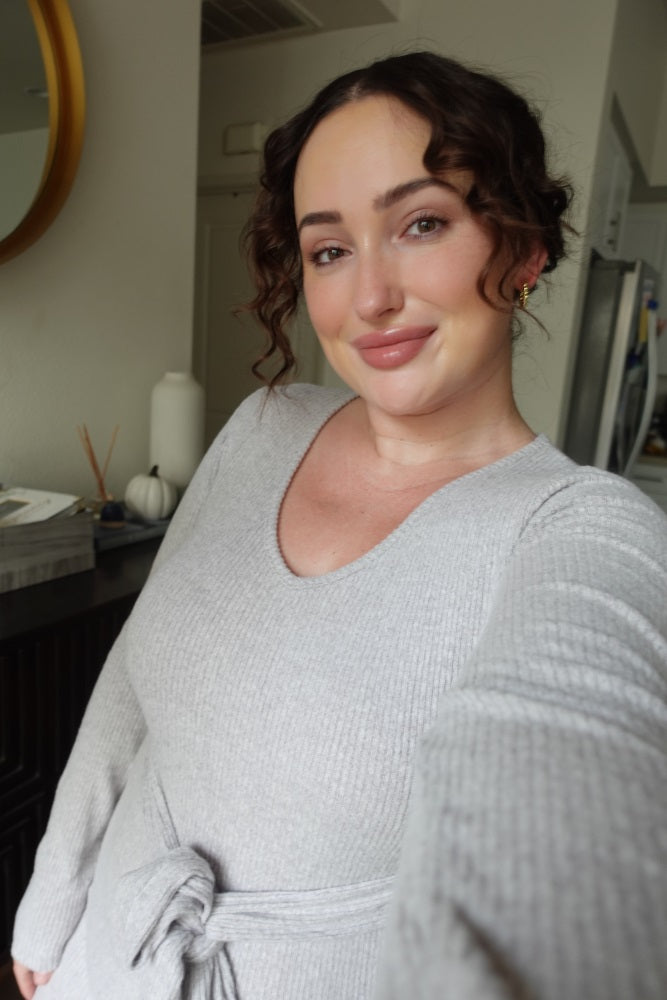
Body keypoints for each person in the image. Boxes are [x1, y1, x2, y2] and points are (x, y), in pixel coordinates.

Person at [12, 50, 667, 1000]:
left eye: (421, 224)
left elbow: (565, 788)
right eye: (329, 250)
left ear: (523, 249)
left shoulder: (577, 529)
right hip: (109, 953)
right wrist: (50, 902)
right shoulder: (262, 427)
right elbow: (130, 691)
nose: (369, 298)